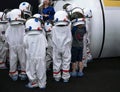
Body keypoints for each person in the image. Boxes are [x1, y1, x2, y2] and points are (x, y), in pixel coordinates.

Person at [24, 17, 48, 89]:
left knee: (31, 70)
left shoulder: (26, 36)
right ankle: (42, 84)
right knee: (41, 70)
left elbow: (25, 45)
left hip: (31, 56)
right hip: (41, 56)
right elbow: (46, 45)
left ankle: (33, 82)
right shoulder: (41, 35)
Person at [5, 9, 27, 81]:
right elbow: (25, 36)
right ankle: (23, 73)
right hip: (21, 45)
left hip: (12, 45)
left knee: (13, 59)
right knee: (23, 59)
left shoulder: (9, 27)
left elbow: (6, 36)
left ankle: (13, 73)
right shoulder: (22, 26)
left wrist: (8, 44)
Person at [52, 10, 72, 82]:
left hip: (56, 47)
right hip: (66, 47)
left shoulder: (53, 28)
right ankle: (65, 77)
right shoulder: (68, 28)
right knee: (66, 61)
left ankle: (57, 76)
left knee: (56, 61)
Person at [70, 10, 86, 77]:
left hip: (74, 46)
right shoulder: (84, 29)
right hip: (81, 46)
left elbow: (71, 32)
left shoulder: (74, 29)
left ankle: (74, 71)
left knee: (74, 60)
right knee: (80, 60)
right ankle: (80, 72)